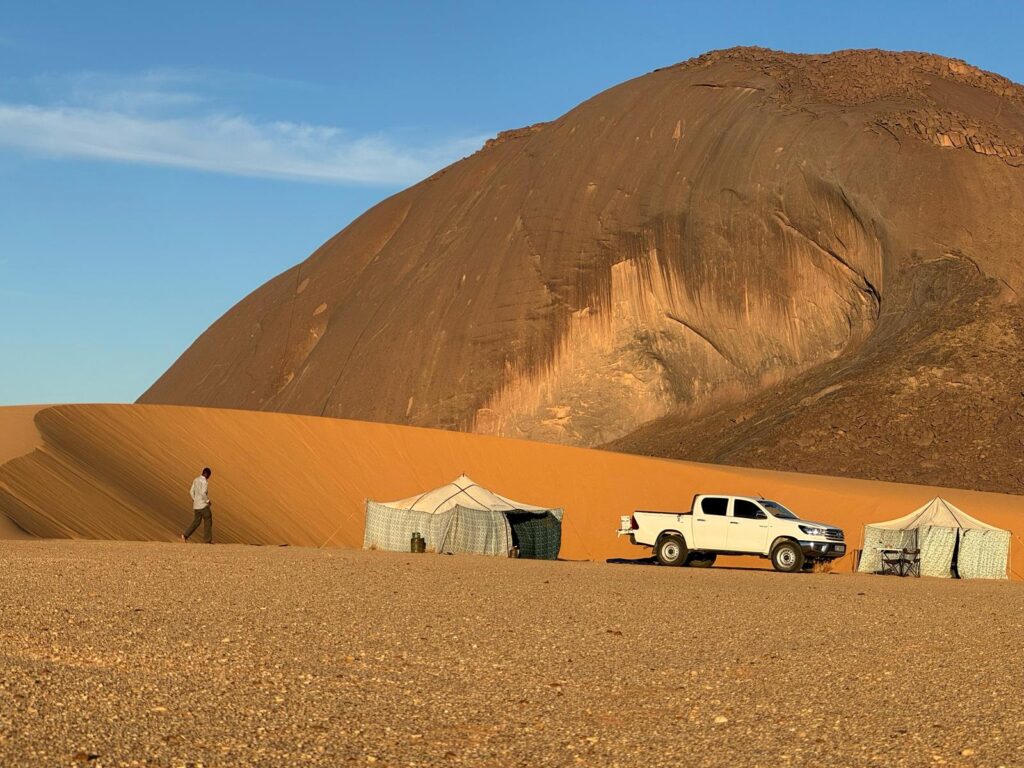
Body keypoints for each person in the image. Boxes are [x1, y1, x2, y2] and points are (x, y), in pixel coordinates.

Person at [181, 467, 213, 544]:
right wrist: (207, 501)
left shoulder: (196, 480)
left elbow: (191, 491)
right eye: (209, 475)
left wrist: (195, 499)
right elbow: (203, 493)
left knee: (196, 522)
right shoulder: (204, 482)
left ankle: (185, 535)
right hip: (203, 505)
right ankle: (207, 540)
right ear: (207, 474)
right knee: (208, 519)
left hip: (196, 505)